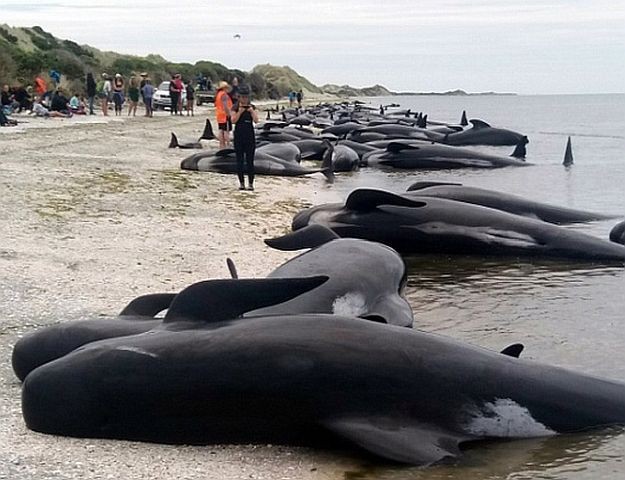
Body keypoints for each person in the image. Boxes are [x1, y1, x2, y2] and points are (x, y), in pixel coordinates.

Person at [230, 85, 259, 191]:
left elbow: (256, 120)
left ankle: (251, 184)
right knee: (239, 161)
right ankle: (242, 183)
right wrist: (240, 112)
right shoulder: (235, 107)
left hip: (249, 135)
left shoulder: (252, 107)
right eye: (242, 97)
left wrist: (251, 111)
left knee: (250, 161)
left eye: (246, 97)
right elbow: (233, 120)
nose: (244, 99)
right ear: (239, 97)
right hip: (239, 135)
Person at [214, 80, 233, 149]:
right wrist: (229, 113)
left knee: (221, 130)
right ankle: (227, 145)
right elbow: (225, 106)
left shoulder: (218, 94)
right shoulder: (224, 95)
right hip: (225, 115)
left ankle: (221, 145)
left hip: (219, 114)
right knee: (226, 131)